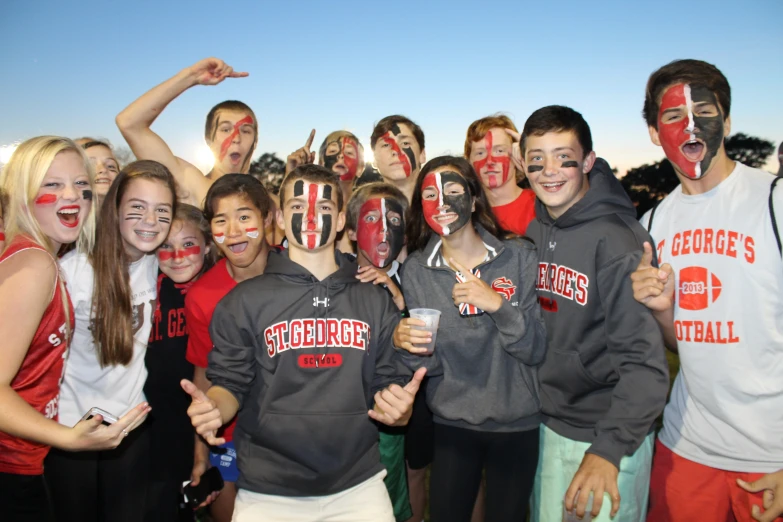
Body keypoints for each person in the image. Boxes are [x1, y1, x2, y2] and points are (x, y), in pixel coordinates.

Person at [182, 164, 424, 521]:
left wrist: (399, 409)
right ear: (279, 218)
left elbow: (386, 383)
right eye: (297, 207)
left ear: (342, 220)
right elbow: (230, 384)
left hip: (359, 487)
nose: (310, 217)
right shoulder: (243, 301)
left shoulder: (373, 299)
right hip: (268, 492)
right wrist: (214, 408)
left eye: (324, 209)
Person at [631, 59, 783, 522]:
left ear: (728, 121)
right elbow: (686, 343)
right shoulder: (652, 225)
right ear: (656, 133)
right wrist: (660, 312)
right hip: (687, 447)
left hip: (772, 457)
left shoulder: (775, 201)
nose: (690, 124)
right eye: (673, 115)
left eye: (704, 111)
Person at [512, 105, 670, 521]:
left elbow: (646, 365)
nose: (549, 171)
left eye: (564, 157)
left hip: (605, 434)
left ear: (587, 162)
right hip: (548, 424)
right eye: (536, 160)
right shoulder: (537, 228)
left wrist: (608, 449)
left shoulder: (617, 241)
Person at [0, 137, 149, 522]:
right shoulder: (35, 265)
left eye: (82, 185)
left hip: (24, 460)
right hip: (9, 466)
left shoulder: (42, 257)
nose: (73, 195)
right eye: (52, 184)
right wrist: (68, 437)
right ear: (21, 192)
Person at [393, 155, 546, 522]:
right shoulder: (417, 269)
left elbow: (536, 349)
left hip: (516, 422)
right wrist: (407, 343)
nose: (442, 204)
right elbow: (427, 366)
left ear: (475, 199)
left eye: (454, 191)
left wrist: (497, 304)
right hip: (453, 423)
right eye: (430, 194)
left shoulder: (519, 255)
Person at [44, 160, 177, 522]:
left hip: (132, 428)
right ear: (114, 209)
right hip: (73, 430)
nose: (150, 221)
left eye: (162, 211)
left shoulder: (159, 262)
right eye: (137, 208)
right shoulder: (73, 272)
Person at [184, 174, 275, 522]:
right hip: (229, 439)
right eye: (221, 220)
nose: (233, 231)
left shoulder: (298, 276)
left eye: (244, 216)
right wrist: (201, 454)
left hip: (289, 439)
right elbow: (204, 374)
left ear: (267, 219)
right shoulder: (202, 295)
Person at [144, 203, 216, 522]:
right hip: (152, 432)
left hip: (205, 427)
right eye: (165, 246)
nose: (178, 256)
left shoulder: (220, 292)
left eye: (189, 244)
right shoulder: (144, 290)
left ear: (208, 246)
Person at [346, 182, 412, 521]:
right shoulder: (334, 279)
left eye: (395, 221)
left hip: (388, 424)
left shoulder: (415, 283)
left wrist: (400, 302)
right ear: (352, 231)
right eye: (371, 218)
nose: (384, 229)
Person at [116, 57, 256, 206]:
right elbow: (129, 123)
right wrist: (190, 76)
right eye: (225, 129)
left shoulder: (270, 203)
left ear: (255, 140)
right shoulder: (192, 186)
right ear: (209, 139)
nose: (236, 138)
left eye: (246, 131)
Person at [465, 114, 536, 235]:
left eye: (499, 151)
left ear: (517, 154)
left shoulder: (542, 204)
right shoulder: (464, 213)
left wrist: (531, 157)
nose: (489, 161)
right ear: (469, 162)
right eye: (480, 153)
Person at [371, 115, 427, 202]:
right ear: (374, 159)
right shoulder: (361, 211)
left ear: (422, 155)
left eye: (405, 143)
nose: (396, 150)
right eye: (386, 145)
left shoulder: (446, 209)